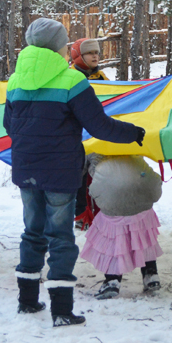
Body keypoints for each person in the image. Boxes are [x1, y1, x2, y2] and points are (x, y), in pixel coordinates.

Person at [4, 18, 145, 327]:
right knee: (60, 237)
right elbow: (100, 126)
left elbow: (8, 126)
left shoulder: (15, 80)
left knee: (32, 231)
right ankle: (62, 310)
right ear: (59, 45)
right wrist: (133, 132)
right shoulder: (71, 81)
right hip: (60, 170)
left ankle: (27, 301)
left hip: (26, 168)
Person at [80, 154, 163, 299]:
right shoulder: (133, 142)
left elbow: (79, 172)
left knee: (113, 241)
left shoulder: (93, 145)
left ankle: (112, 280)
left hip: (112, 205)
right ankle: (151, 275)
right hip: (142, 202)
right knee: (144, 238)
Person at [69, 37, 109, 229]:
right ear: (78, 55)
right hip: (76, 134)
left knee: (96, 174)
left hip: (96, 133)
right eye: (90, 52)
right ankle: (80, 213)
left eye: (97, 52)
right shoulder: (71, 76)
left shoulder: (102, 77)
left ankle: (96, 212)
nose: (95, 56)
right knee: (79, 175)